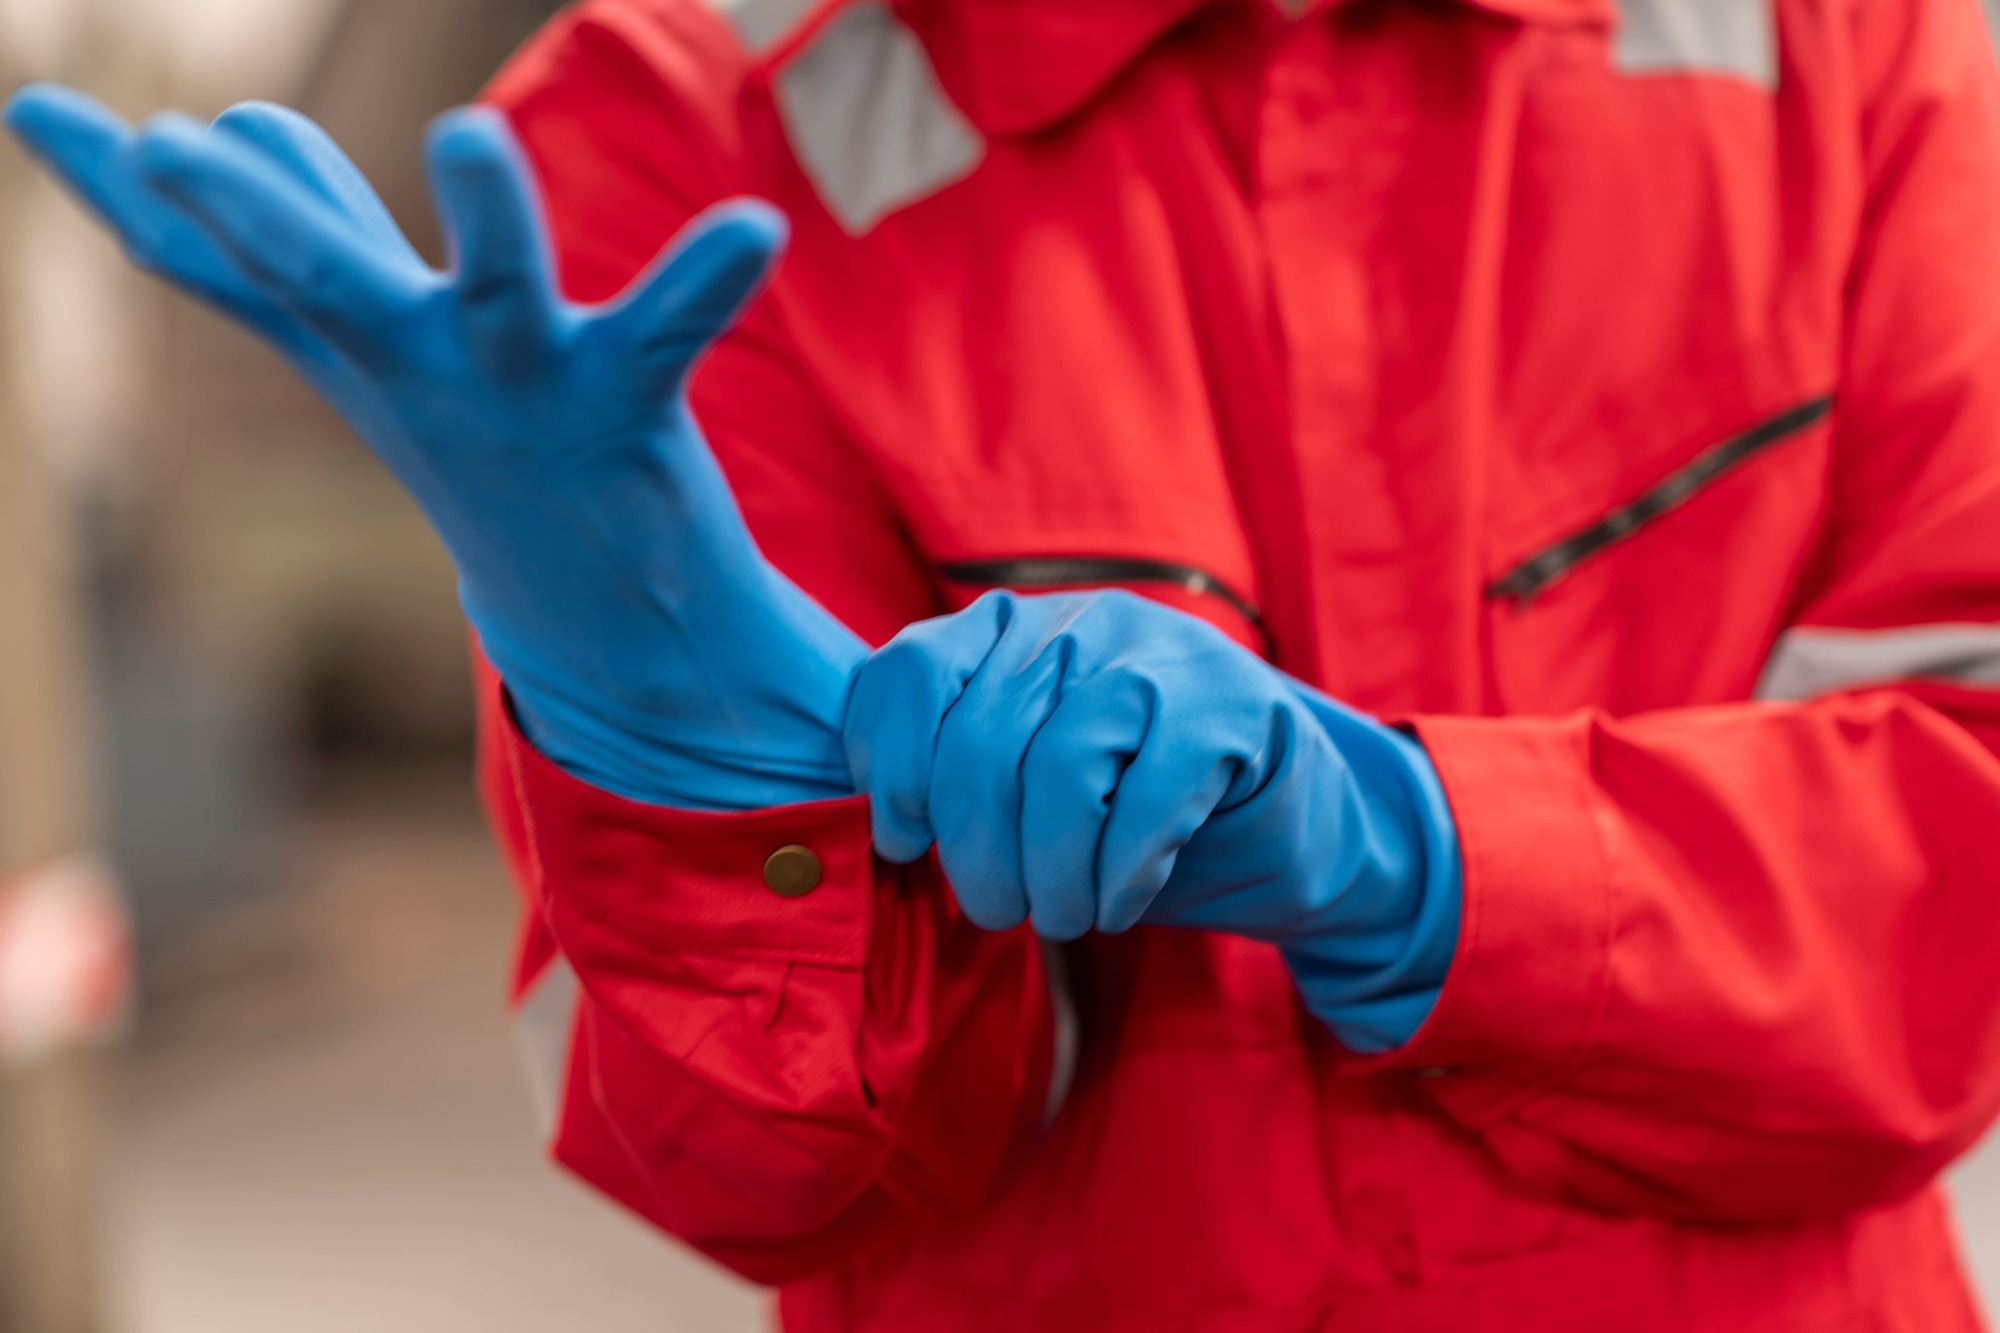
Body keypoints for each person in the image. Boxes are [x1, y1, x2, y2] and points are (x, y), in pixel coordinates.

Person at [12, 0, 2000, 1325]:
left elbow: (1960, 886)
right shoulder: (675, 143)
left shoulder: (1842, 52)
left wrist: (1416, 850)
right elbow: (793, 1173)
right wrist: (690, 789)